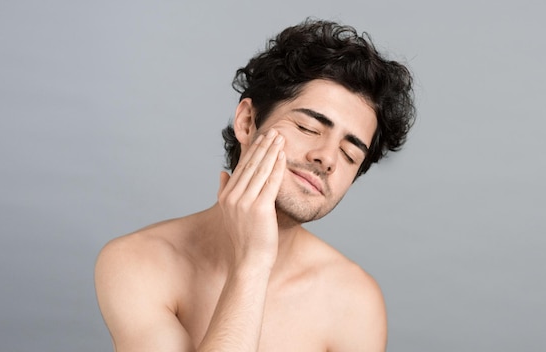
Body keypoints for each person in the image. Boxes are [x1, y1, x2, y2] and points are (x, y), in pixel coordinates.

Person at [95, 18, 415, 352]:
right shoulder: (137, 262)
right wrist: (252, 264)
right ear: (247, 122)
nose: (327, 158)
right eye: (308, 127)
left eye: (350, 154)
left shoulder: (354, 300)